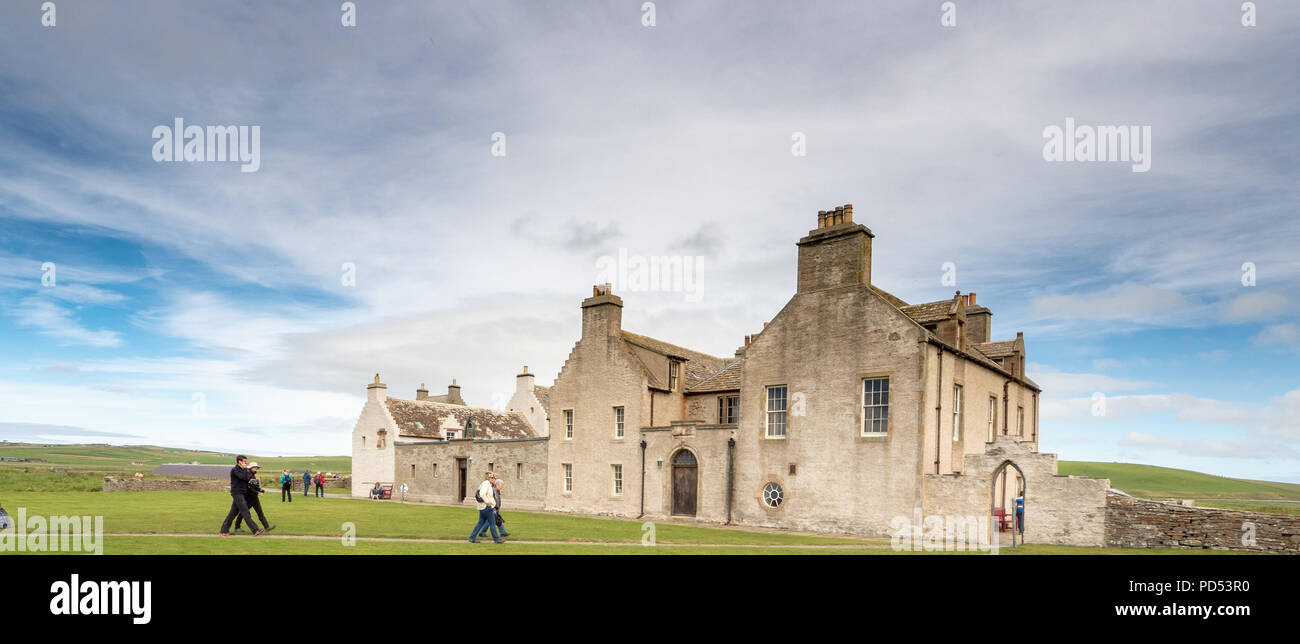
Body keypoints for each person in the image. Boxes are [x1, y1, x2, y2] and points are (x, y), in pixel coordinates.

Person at [219, 455, 264, 536]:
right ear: (239, 462)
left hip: (242, 493)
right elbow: (243, 477)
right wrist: (245, 470)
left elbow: (248, 479)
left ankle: (224, 531)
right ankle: (255, 530)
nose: (246, 463)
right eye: (244, 461)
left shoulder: (244, 470)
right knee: (245, 511)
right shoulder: (235, 470)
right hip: (237, 493)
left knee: (232, 513)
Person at [233, 463, 275, 534]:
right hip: (248, 498)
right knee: (243, 513)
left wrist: (260, 490)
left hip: (254, 498)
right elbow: (249, 488)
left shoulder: (253, 475)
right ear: (251, 468)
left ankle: (267, 527)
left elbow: (254, 486)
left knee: (260, 513)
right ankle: (237, 527)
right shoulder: (248, 475)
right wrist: (257, 493)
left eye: (256, 468)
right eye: (254, 468)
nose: (256, 469)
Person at [468, 471, 503, 543]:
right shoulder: (486, 485)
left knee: (480, 523)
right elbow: (482, 494)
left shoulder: (487, 484)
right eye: (493, 477)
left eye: (494, 477)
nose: (494, 479)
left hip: (483, 507)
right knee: (492, 523)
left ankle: (472, 538)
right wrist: (487, 502)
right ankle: (497, 539)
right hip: (486, 508)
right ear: (489, 478)